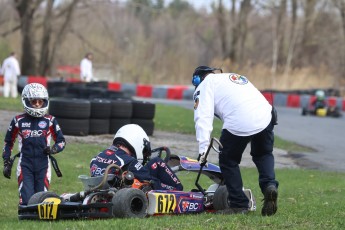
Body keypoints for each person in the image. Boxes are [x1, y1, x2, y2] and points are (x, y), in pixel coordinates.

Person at [192, 66, 279, 216]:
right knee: (263, 154)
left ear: (198, 80)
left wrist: (202, 149)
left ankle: (239, 205)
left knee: (228, 159)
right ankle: (269, 186)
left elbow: (203, 118)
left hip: (240, 118)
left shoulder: (204, 86)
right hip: (265, 113)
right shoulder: (232, 77)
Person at [2, 83, 66, 205]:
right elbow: (8, 142)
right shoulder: (18, 121)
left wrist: (53, 149)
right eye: (33, 101)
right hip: (25, 164)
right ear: (26, 101)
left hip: (44, 165)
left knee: (41, 201)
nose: (37, 104)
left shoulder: (50, 121)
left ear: (45, 102)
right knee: (26, 202)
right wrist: (6, 161)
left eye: (40, 102)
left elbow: (61, 141)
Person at [90, 124, 183, 191]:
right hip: (120, 193)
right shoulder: (129, 162)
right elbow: (151, 181)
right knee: (157, 162)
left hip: (101, 188)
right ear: (137, 141)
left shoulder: (98, 156)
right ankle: (178, 192)